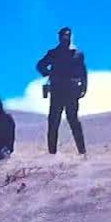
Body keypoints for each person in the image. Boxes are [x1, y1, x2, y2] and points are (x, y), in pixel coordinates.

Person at [36, 27, 87, 155]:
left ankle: (82, 152)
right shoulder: (53, 53)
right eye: (63, 36)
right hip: (57, 90)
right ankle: (51, 153)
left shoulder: (77, 54)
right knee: (53, 121)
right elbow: (40, 65)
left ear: (71, 36)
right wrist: (48, 73)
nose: (65, 38)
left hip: (71, 91)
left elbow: (83, 72)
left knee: (73, 120)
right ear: (59, 37)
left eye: (67, 35)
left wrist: (84, 87)